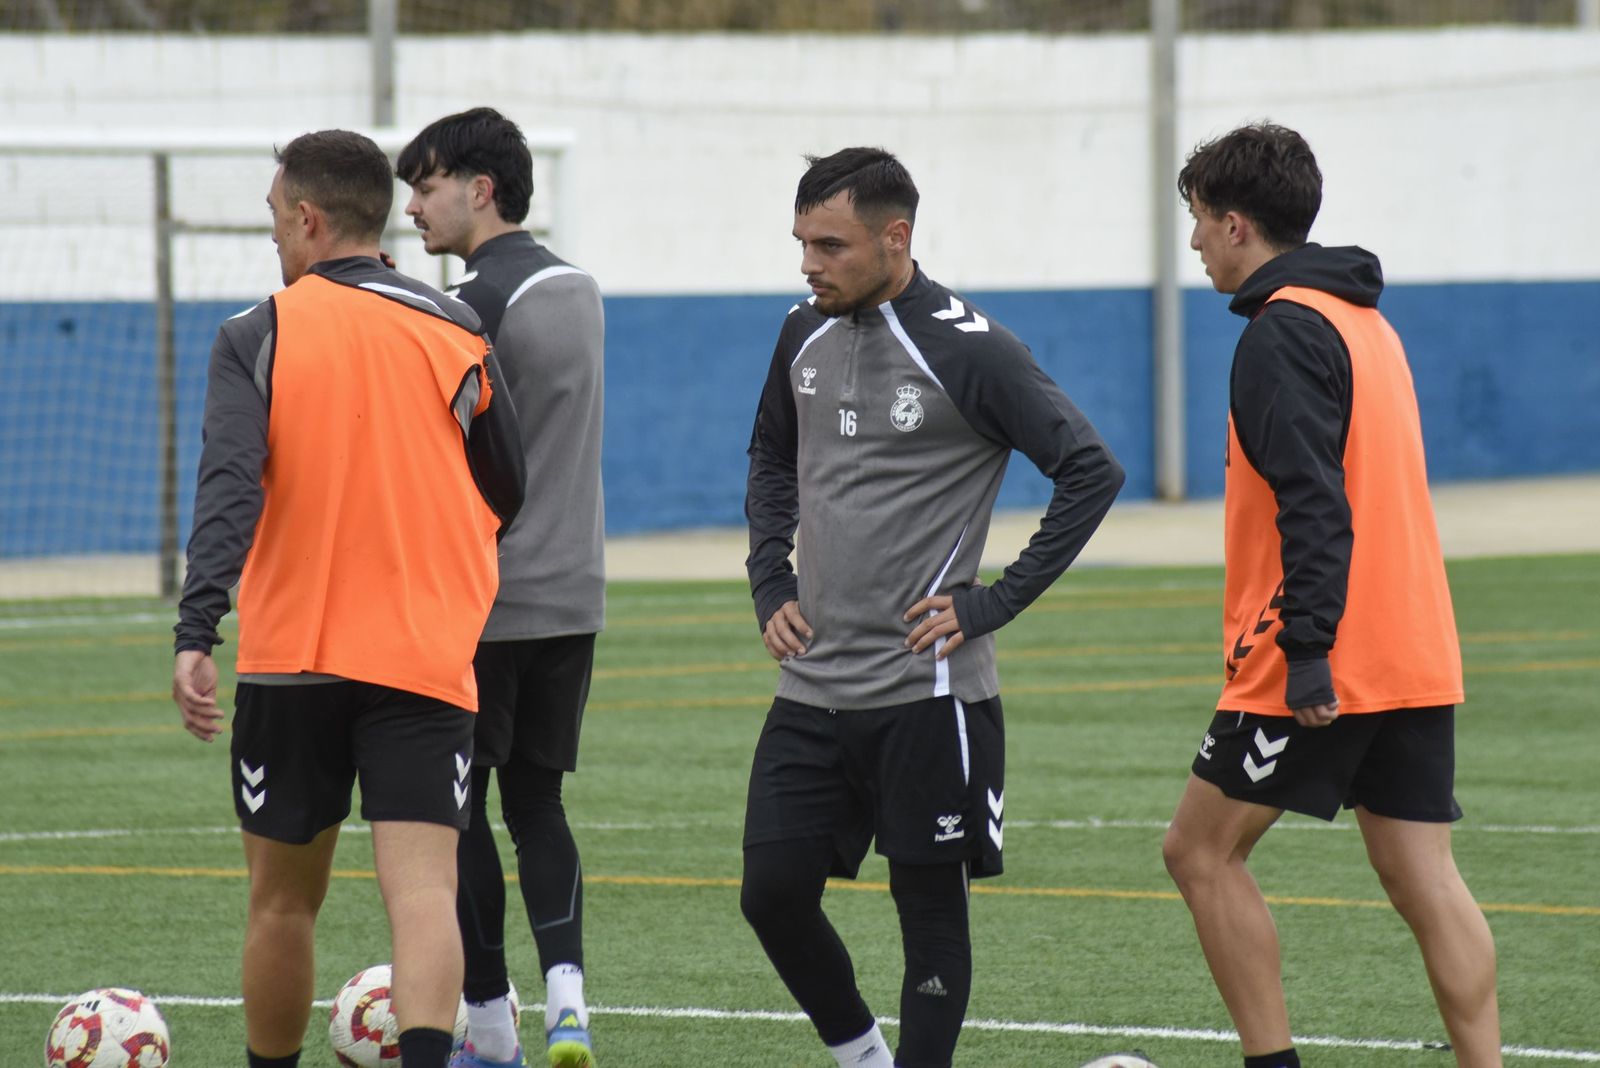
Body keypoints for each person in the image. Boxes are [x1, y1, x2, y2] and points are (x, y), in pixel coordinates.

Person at [742, 146, 1125, 1068]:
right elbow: (768, 457)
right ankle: (866, 1058)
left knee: (929, 917)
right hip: (813, 687)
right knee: (773, 894)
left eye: (830, 245)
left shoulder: (970, 347)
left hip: (930, 692)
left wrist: (992, 604)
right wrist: (771, 580)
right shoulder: (802, 332)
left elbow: (1090, 470)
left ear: (895, 237)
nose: (809, 264)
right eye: (801, 243)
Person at [171, 129, 525, 1068]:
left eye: (277, 220)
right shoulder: (458, 328)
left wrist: (197, 625)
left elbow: (231, 486)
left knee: (283, 900)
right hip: (422, 654)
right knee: (422, 896)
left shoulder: (259, 332)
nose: (275, 240)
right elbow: (508, 486)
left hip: (294, 657)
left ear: (309, 217)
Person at [1160, 123, 1501, 1068]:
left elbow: (1317, 501)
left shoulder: (1281, 336)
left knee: (1199, 853)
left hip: (1321, 652)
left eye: (1196, 222)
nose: (1193, 245)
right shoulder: (1365, 321)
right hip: (1414, 645)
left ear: (1236, 224)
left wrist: (1307, 648)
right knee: (1423, 876)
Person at [397, 107, 605, 1068]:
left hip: (483, 601)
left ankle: (489, 1028)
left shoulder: (467, 306)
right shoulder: (582, 287)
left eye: (427, 184)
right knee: (542, 806)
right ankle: (568, 995)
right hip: (575, 596)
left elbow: (441, 456)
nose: (412, 206)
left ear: (481, 188)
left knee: (460, 811)